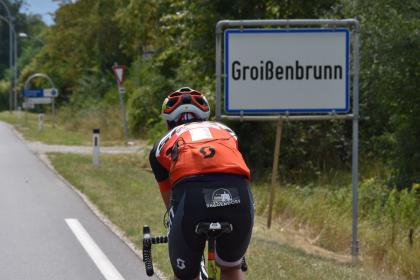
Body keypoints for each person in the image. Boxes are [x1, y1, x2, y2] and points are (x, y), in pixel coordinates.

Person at [149, 87, 254, 280]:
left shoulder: (161, 144)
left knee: (186, 276)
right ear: (205, 117)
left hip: (192, 194)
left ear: (169, 122)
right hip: (237, 190)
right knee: (231, 267)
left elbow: (171, 202)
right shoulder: (227, 131)